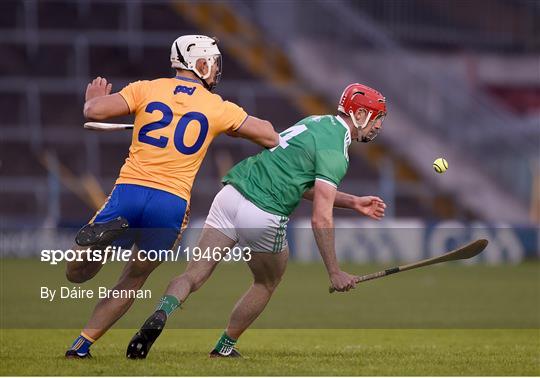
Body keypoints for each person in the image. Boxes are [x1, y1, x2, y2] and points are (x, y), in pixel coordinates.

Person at [126, 83, 388, 359]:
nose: (379, 126)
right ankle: (224, 347)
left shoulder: (314, 122)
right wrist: (334, 272)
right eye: (377, 118)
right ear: (359, 113)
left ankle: (163, 310)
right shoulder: (336, 150)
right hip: (263, 213)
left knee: (194, 273)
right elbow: (321, 216)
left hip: (230, 195)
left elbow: (299, 182)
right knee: (266, 282)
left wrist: (353, 201)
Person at [64, 35, 279, 358]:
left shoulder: (146, 89)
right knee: (133, 279)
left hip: (129, 192)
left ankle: (99, 246)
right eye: (213, 62)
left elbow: (94, 111)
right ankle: (80, 347)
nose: (216, 70)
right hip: (170, 205)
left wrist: (92, 98)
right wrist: (231, 126)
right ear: (200, 63)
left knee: (76, 274)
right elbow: (269, 135)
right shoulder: (217, 107)